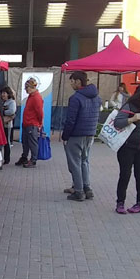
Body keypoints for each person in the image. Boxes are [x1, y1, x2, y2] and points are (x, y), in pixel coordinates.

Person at [113, 82, 140, 214]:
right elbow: (117, 122)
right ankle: (120, 203)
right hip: (127, 147)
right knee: (125, 175)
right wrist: (131, 119)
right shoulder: (129, 106)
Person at [62, 71, 101, 201]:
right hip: (90, 133)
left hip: (76, 134)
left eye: (72, 81)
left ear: (78, 82)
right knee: (84, 160)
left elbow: (71, 120)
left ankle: (78, 191)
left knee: (75, 162)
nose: (71, 84)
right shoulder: (96, 96)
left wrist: (65, 136)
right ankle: (87, 188)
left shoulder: (75, 98)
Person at [16, 77, 44, 167]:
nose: (26, 90)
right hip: (27, 123)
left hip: (32, 124)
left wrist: (39, 123)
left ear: (31, 87)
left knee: (32, 142)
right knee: (26, 142)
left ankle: (33, 160)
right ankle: (24, 157)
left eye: (27, 88)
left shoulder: (36, 97)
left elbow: (40, 112)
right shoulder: (31, 96)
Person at [0, 87, 17, 165]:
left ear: (8, 94)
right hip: (1, 124)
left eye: (4, 93)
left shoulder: (11, 102)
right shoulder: (2, 102)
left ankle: (7, 158)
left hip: (7, 125)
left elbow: (12, 111)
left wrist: (2, 112)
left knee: (7, 141)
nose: (3, 95)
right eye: (2, 93)